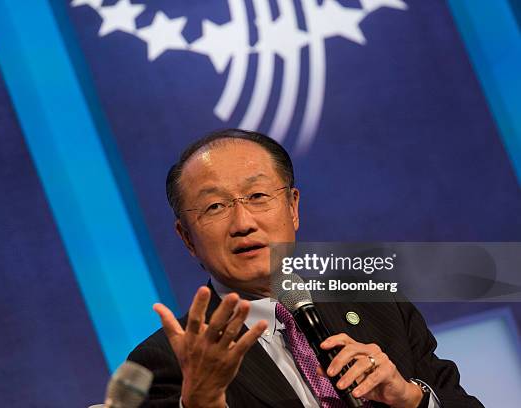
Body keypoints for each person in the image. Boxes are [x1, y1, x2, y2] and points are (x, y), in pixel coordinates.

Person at [128, 129, 483, 408]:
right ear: (187, 239)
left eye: (257, 197)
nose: (243, 222)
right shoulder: (169, 360)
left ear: (293, 207)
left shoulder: (378, 304)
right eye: (216, 206)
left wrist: (410, 399)